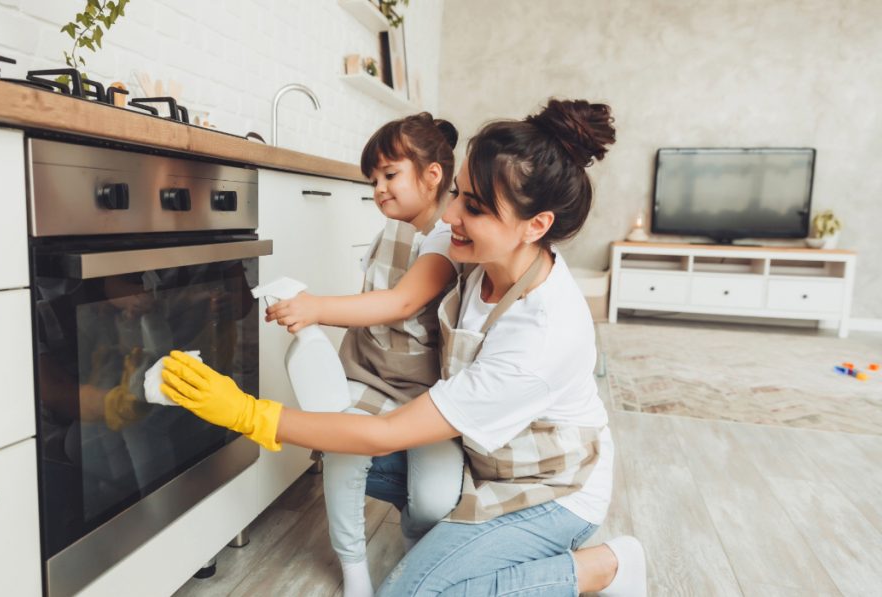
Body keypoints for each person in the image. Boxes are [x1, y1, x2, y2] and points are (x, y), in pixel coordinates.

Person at [160, 98, 647, 596]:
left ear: (536, 226)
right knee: (338, 449)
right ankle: (463, 550)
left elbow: (385, 432)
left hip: (550, 489)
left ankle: (603, 568)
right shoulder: (470, 249)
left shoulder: (543, 333)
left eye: (474, 207)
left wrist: (247, 414)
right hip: (485, 459)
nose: (452, 213)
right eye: (459, 193)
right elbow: (399, 299)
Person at [264, 112, 464, 597]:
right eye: (373, 179)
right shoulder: (391, 229)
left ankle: (418, 540)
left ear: (432, 174)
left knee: (436, 501)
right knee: (343, 448)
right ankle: (354, 564)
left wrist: (315, 308)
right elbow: (376, 303)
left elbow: (402, 302)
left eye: (390, 175)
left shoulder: (449, 236)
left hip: (428, 394)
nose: (379, 189)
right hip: (371, 375)